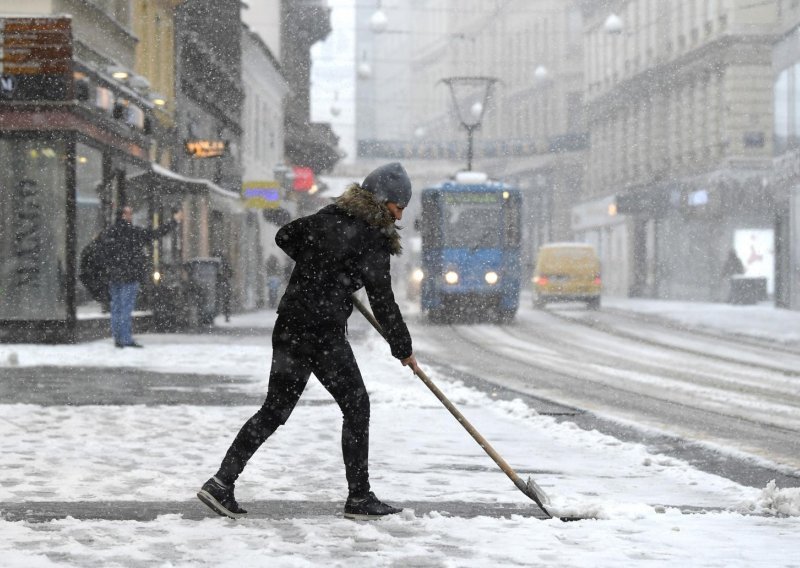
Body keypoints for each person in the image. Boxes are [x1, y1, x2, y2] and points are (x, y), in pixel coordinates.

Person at [197, 162, 420, 521]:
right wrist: (403, 348)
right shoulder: (373, 238)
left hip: (290, 325)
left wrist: (320, 265)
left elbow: (285, 236)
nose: (400, 213)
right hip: (322, 333)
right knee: (357, 405)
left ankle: (221, 483)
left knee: (274, 409)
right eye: (399, 205)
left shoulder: (328, 217)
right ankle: (359, 497)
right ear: (382, 201)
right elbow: (383, 300)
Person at [105, 205, 183, 348]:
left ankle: (118, 337)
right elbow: (155, 234)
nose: (131, 216)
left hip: (114, 276)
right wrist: (174, 221)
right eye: (129, 213)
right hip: (129, 275)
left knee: (116, 307)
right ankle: (125, 339)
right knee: (125, 308)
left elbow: (103, 253)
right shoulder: (133, 232)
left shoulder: (110, 232)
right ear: (123, 215)